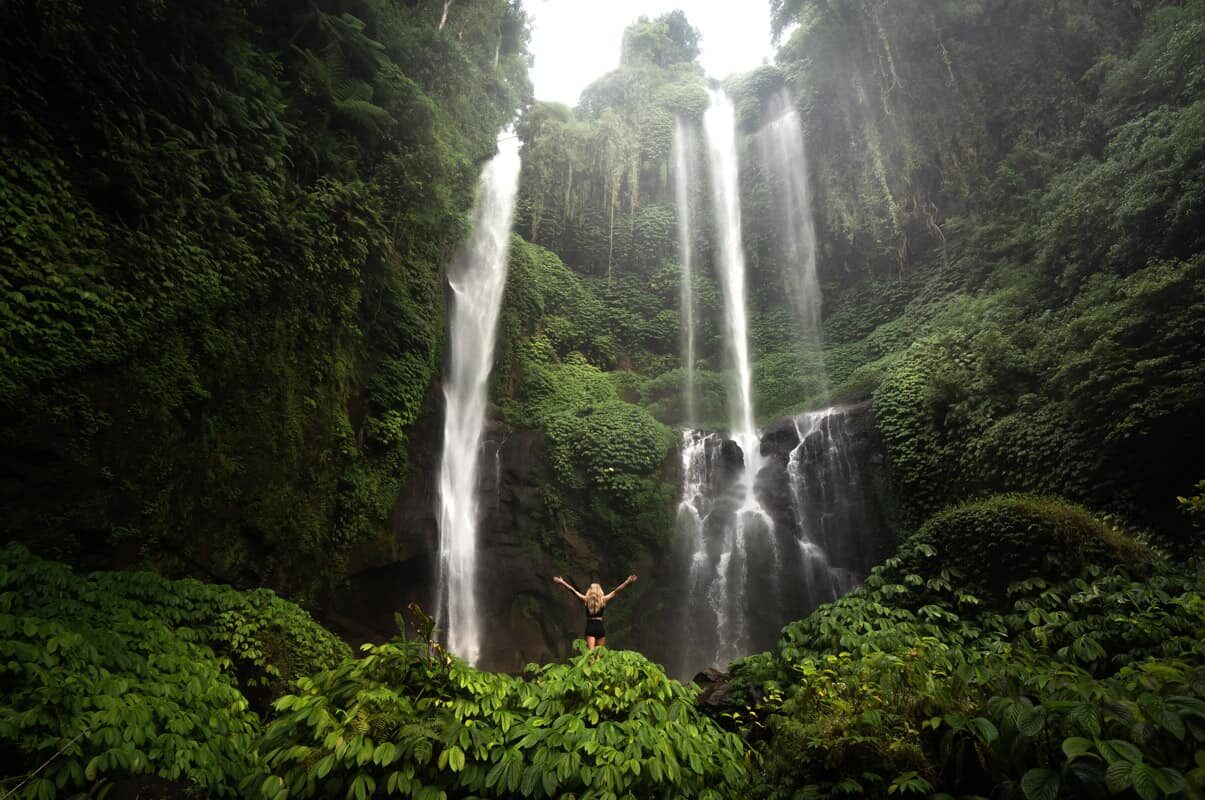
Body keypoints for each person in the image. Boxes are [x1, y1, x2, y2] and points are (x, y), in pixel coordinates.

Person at [552, 574, 637, 649]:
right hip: (600, 627)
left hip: (590, 627)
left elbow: (572, 591)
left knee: (591, 655)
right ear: (599, 590)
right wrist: (627, 581)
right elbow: (617, 590)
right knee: (599, 655)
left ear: (590, 591)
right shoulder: (603, 600)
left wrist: (562, 582)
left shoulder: (586, 600)